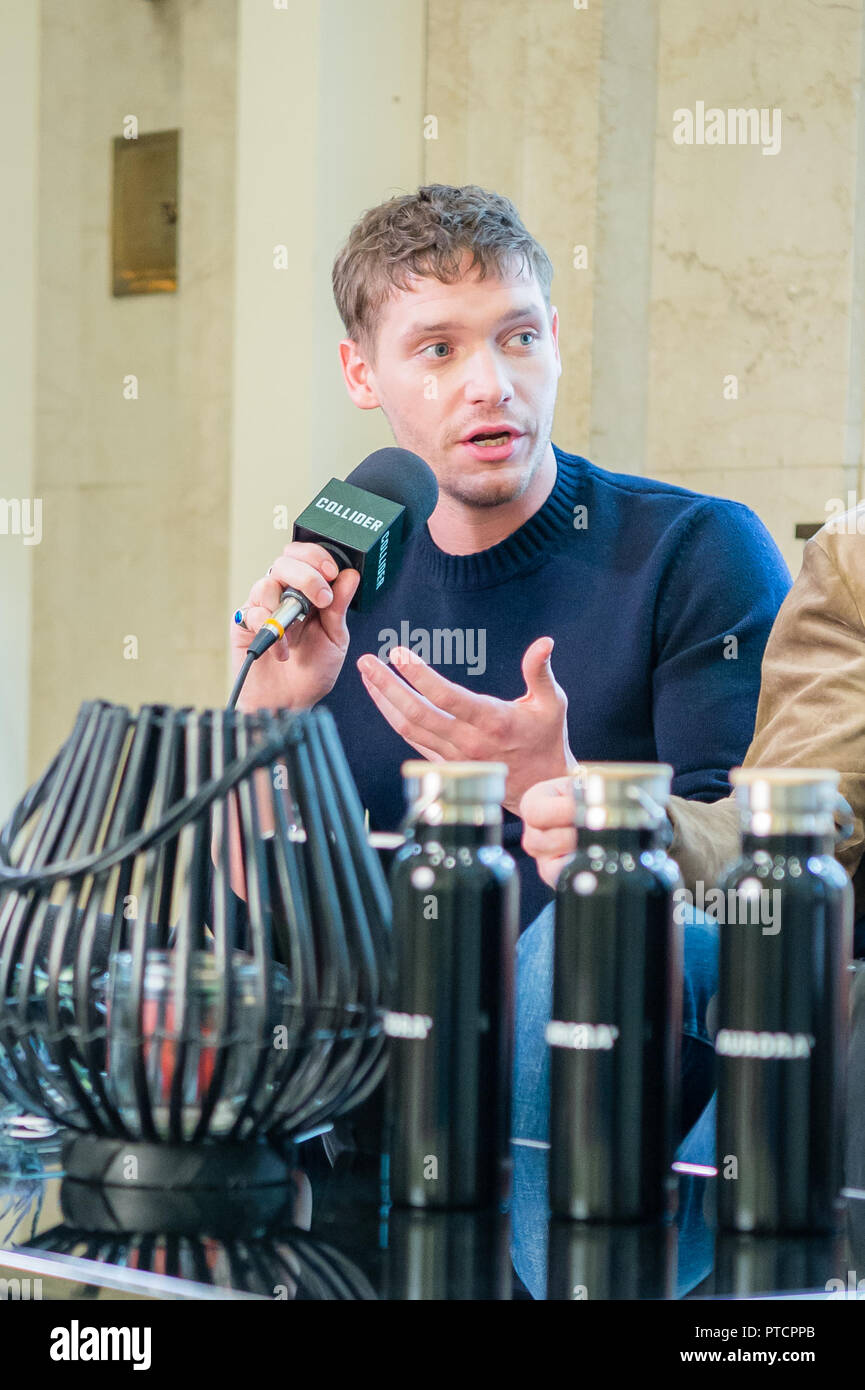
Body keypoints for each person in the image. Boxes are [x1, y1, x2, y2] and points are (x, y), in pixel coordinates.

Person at [230, 183, 791, 930]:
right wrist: (264, 723)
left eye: (519, 338)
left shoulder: (697, 551)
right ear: (360, 373)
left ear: (554, 342)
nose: (490, 386)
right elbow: (255, 924)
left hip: (597, 1027)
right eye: (438, 350)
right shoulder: (332, 587)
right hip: (368, 1035)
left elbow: (760, 894)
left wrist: (559, 788)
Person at [516, 504, 865, 1163]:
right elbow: (803, 815)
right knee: (588, 936)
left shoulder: (703, 541)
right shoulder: (857, 551)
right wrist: (640, 825)